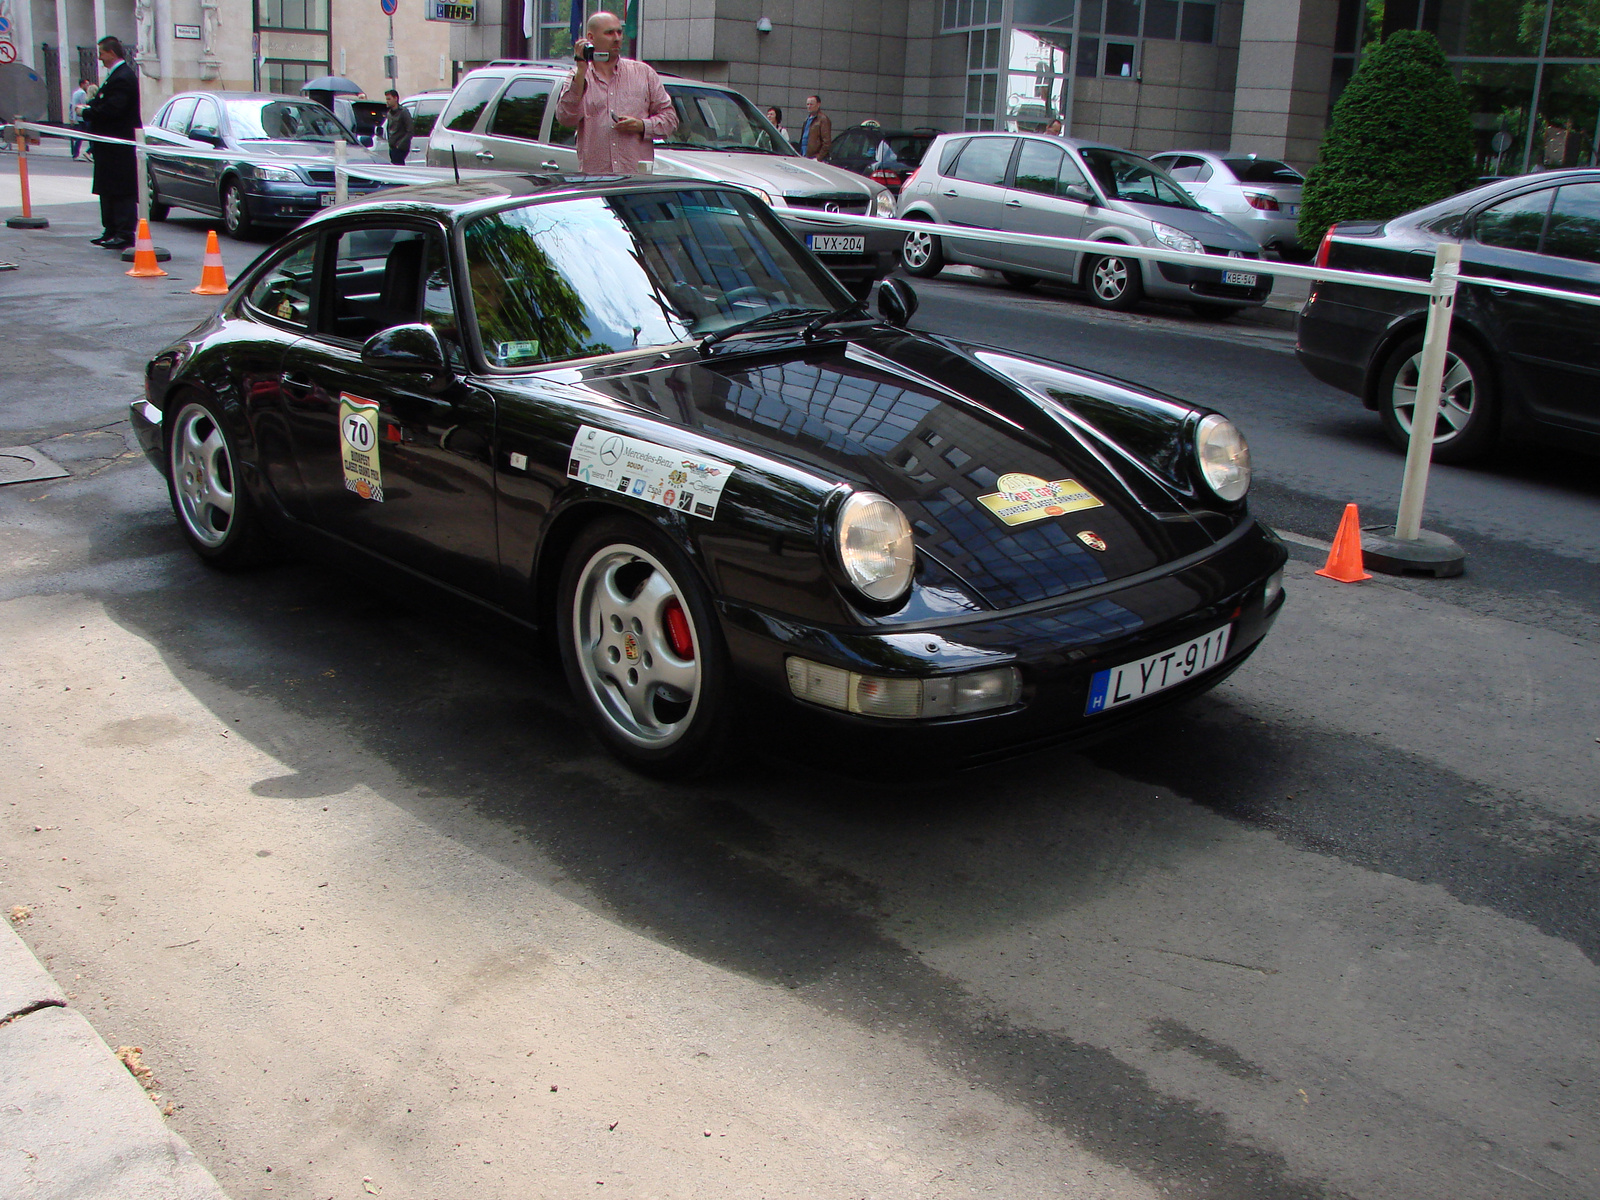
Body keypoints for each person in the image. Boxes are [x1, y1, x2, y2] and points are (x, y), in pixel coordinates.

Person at [555, 10, 678, 174]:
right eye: (609, 33)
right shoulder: (579, 77)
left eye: (619, 32)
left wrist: (642, 125)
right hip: (596, 178)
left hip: (634, 178)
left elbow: (670, 120)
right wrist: (581, 70)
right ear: (590, 38)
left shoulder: (643, 73)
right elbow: (565, 118)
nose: (617, 38)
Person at [83, 37, 139, 248]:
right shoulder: (114, 76)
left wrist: (88, 111)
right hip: (108, 146)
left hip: (119, 145)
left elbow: (114, 108)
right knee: (107, 188)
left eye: (102, 53)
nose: (99, 57)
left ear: (112, 53)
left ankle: (124, 233)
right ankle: (111, 229)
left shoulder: (123, 77)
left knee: (121, 190)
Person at [384, 89, 413, 165]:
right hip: (392, 147)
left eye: (389, 99)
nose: (387, 101)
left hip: (400, 148)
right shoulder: (389, 114)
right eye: (386, 99)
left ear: (395, 98)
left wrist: (400, 145)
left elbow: (410, 130)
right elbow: (388, 128)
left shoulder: (403, 112)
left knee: (398, 166)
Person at [800, 94, 831, 160]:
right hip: (804, 154)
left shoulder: (823, 119)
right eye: (807, 104)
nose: (809, 106)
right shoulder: (807, 119)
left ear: (818, 104)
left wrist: (819, 157)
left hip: (814, 157)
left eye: (811, 104)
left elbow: (826, 142)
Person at [69, 78, 93, 160]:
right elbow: (84, 104)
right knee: (88, 134)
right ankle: (88, 152)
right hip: (83, 116)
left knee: (81, 134)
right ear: (82, 84)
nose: (88, 86)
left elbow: (72, 105)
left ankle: (76, 153)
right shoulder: (82, 93)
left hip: (78, 116)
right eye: (87, 84)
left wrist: (71, 117)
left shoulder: (75, 92)